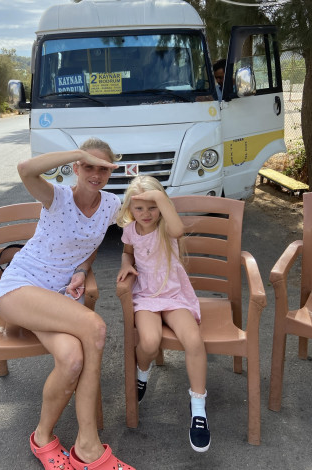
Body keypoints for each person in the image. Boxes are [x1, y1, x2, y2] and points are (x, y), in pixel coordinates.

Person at [0, 138, 135, 470]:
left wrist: (83, 269)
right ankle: (88, 445)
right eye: (88, 166)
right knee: (95, 327)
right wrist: (77, 152)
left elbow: (97, 241)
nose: (95, 174)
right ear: (76, 167)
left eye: (103, 168)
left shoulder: (111, 205)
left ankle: (42, 437)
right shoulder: (56, 197)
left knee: (72, 359)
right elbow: (25, 169)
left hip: (57, 297)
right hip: (21, 287)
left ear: (110, 172)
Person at [116, 176, 210, 453]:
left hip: (173, 294)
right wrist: (125, 264)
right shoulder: (131, 231)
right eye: (139, 208)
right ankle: (142, 373)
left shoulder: (167, 227)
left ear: (161, 205)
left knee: (193, 341)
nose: (146, 214)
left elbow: (179, 230)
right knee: (148, 342)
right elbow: (127, 253)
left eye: (152, 207)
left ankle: (198, 408)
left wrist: (159, 197)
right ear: (130, 209)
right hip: (146, 295)